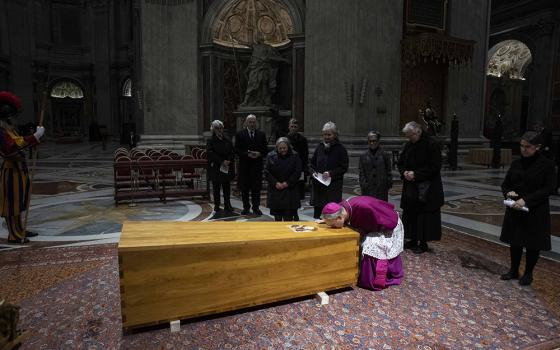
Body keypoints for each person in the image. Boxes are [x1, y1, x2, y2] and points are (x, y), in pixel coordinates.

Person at [499, 131, 555, 286]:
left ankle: (529, 273)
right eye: (522, 146)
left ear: (537, 147)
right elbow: (506, 184)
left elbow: (548, 188)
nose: (523, 149)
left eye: (528, 147)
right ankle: (513, 270)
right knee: (515, 241)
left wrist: (526, 200)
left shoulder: (547, 165)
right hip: (515, 208)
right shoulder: (516, 163)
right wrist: (507, 193)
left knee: (532, 243)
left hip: (535, 209)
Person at [321, 196, 404, 291]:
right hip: (375, 224)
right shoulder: (342, 209)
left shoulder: (363, 209)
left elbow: (370, 227)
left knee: (369, 244)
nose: (333, 227)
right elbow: (332, 210)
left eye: (333, 224)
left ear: (340, 218)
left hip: (387, 226)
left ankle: (371, 279)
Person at [0, 91, 45, 244]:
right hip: (11, 171)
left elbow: (18, 141)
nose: (15, 119)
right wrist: (34, 137)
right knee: (12, 204)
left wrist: (34, 139)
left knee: (19, 202)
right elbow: (11, 148)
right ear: (7, 117)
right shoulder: (1, 132)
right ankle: (14, 235)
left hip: (18, 170)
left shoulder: (8, 130)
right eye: (13, 116)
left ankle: (20, 229)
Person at [398, 121, 444, 254]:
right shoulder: (409, 144)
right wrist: (404, 172)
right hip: (411, 186)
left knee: (423, 216)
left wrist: (416, 174)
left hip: (427, 187)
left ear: (418, 132)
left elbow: (435, 167)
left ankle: (422, 243)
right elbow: (400, 162)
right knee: (410, 213)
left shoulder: (431, 144)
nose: (408, 139)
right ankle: (412, 239)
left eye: (410, 135)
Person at [309, 121, 348, 219]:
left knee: (332, 215)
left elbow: (343, 167)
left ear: (335, 135)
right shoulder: (319, 147)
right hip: (319, 188)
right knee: (318, 216)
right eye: (325, 134)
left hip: (333, 188)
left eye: (329, 134)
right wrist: (313, 173)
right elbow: (312, 164)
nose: (326, 137)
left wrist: (330, 173)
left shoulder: (341, 149)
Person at [239, 32, 289, 107]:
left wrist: (283, 60)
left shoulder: (268, 47)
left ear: (262, 38)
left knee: (264, 86)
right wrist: (238, 41)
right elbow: (247, 44)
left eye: (258, 37)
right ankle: (246, 102)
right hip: (254, 69)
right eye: (256, 37)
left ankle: (266, 102)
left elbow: (272, 57)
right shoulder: (255, 46)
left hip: (263, 69)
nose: (256, 38)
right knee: (251, 85)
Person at [235, 114, 268, 215]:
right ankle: (246, 207)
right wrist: (247, 154)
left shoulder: (261, 134)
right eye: (250, 122)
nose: (252, 124)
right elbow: (237, 150)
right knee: (245, 189)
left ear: (256, 123)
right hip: (245, 166)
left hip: (256, 166)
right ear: (246, 123)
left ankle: (256, 207)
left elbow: (265, 150)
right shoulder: (240, 134)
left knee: (256, 189)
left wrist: (259, 154)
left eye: (254, 122)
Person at [264, 137, 302, 221]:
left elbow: (297, 171)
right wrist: (275, 183)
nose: (282, 150)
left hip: (290, 191)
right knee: (277, 219)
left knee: (288, 219)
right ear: (277, 148)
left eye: (284, 148)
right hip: (276, 191)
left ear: (288, 147)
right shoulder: (271, 155)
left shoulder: (295, 155)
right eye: (280, 148)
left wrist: (287, 183)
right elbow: (267, 172)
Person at [206, 120, 235, 213]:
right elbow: (210, 153)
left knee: (227, 187)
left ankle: (227, 204)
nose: (219, 130)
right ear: (213, 130)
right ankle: (217, 205)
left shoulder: (227, 139)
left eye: (221, 128)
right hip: (216, 167)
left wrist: (228, 160)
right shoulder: (210, 140)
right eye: (217, 128)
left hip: (226, 166)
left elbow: (232, 151)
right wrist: (222, 161)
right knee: (216, 187)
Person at [358, 130, 392, 201]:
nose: (372, 143)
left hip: (381, 189)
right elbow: (361, 172)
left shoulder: (384, 154)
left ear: (378, 141)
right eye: (370, 141)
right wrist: (364, 184)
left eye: (374, 141)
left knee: (380, 209)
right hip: (368, 188)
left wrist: (387, 184)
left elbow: (388, 171)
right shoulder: (363, 155)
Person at [286, 118, 309, 204]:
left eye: (295, 126)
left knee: (299, 188)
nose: (293, 128)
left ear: (298, 128)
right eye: (291, 126)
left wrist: (305, 168)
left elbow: (305, 155)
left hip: (300, 166)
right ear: (289, 127)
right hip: (288, 165)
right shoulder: (285, 139)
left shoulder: (303, 140)